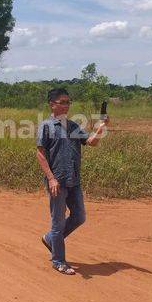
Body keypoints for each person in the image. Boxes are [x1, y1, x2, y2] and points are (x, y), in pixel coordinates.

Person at [35, 88, 109, 275]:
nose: (67, 105)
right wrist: (51, 178)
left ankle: (51, 239)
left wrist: (101, 128)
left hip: (74, 180)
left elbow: (92, 142)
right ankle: (58, 260)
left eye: (68, 102)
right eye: (63, 102)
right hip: (57, 182)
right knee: (58, 222)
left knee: (79, 217)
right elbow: (40, 154)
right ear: (52, 104)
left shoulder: (74, 126)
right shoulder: (46, 126)